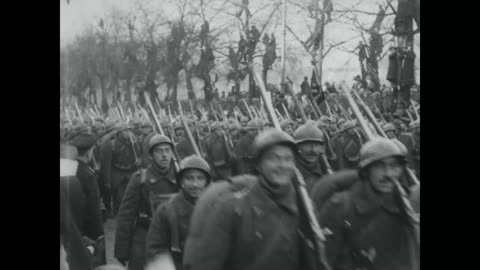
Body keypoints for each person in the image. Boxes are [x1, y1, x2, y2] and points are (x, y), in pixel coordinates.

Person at [183, 128, 320, 270]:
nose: (282, 165)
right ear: (258, 164)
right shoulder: (232, 205)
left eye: (288, 159)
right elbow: (208, 261)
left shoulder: (302, 203)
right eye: (273, 158)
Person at [316, 138, 420, 270]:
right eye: (379, 166)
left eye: (394, 166)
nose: (388, 174)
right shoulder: (340, 206)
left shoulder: (404, 205)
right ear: (366, 170)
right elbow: (325, 262)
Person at [114, 134, 180, 270]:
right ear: (150, 155)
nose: (164, 155)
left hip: (174, 236)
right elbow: (126, 216)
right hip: (145, 235)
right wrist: (122, 249)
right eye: (159, 151)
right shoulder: (140, 179)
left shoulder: (182, 178)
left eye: (167, 150)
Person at [146, 155, 212, 270]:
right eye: (189, 178)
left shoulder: (217, 208)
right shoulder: (166, 211)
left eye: (200, 178)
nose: (195, 184)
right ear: (181, 181)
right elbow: (156, 250)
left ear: (206, 181)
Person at [69, 133, 106, 267]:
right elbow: (92, 209)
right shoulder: (87, 174)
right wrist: (98, 235)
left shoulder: (69, 169)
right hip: (86, 232)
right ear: (89, 152)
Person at [294, 123, 329, 191]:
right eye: (307, 144)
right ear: (298, 146)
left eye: (317, 144)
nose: (313, 150)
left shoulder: (324, 166)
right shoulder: (291, 173)